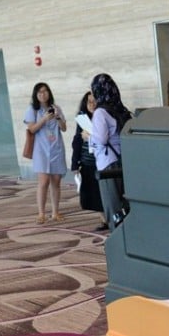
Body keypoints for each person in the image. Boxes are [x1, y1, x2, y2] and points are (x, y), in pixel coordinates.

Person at [90, 73, 132, 231]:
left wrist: (89, 136)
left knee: (112, 205)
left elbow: (100, 139)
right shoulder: (121, 109)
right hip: (123, 160)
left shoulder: (100, 112)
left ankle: (118, 238)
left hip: (108, 163)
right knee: (125, 204)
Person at [24, 82, 68, 224]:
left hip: (56, 148)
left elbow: (64, 128)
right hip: (41, 149)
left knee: (56, 182)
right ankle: (41, 213)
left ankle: (55, 212)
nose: (43, 94)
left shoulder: (56, 108)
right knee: (43, 182)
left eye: (45, 91)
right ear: (36, 95)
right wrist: (43, 119)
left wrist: (58, 117)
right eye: (40, 92)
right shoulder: (33, 109)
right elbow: (32, 129)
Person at [71, 90, 108, 231]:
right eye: (89, 102)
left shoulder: (103, 117)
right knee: (92, 193)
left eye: (94, 101)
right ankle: (103, 219)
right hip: (87, 162)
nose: (92, 104)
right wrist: (75, 162)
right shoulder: (82, 119)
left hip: (102, 161)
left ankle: (109, 218)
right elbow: (77, 142)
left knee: (103, 191)